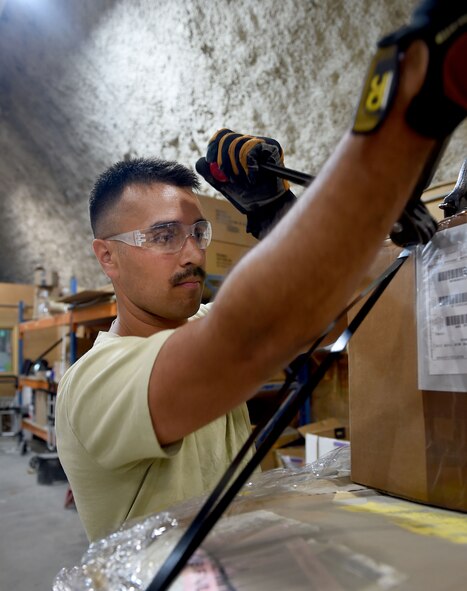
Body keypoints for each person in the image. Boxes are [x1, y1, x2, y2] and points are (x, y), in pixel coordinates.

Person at [55, 0, 466, 542]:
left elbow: (337, 293)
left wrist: (277, 212)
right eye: (162, 236)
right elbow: (252, 333)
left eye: (196, 232)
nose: (192, 254)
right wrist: (404, 108)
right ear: (106, 256)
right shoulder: (94, 384)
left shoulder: (198, 323)